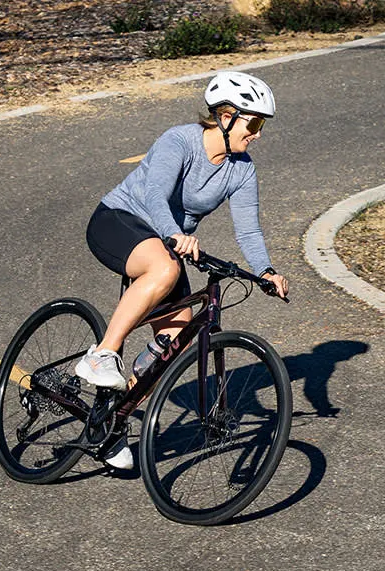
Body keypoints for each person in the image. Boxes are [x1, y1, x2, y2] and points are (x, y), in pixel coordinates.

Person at [75, 71, 290, 468]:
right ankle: (101, 355)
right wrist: (175, 233)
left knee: (175, 339)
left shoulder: (242, 170)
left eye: (262, 125)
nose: (258, 134)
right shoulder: (180, 141)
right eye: (254, 123)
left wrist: (265, 270)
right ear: (225, 116)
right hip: (119, 220)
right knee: (165, 268)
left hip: (166, 244)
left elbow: (249, 229)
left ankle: (109, 424)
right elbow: (155, 193)